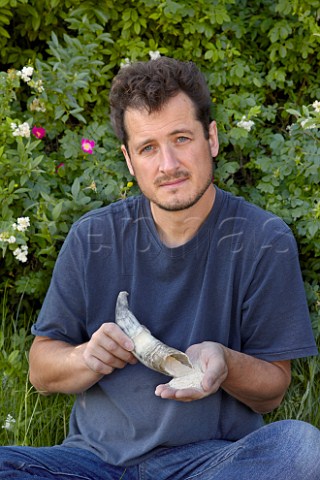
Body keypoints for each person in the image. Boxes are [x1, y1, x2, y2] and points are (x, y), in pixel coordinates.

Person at [1, 57, 319, 480]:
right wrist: (85, 356)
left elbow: (272, 393)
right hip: (94, 464)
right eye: (148, 148)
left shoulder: (263, 238)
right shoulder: (92, 237)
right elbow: (41, 370)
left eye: (182, 138)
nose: (168, 164)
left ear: (212, 138)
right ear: (130, 161)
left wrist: (225, 363)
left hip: (209, 464)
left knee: (301, 448)